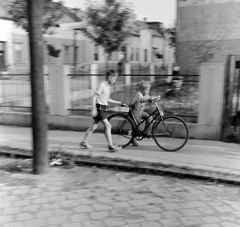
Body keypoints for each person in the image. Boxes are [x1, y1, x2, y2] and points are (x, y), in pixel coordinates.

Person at [80, 69, 123, 152]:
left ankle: (84, 142)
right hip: (99, 108)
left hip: (103, 108)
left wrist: (118, 102)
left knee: (94, 127)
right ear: (110, 77)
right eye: (115, 79)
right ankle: (110, 145)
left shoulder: (107, 86)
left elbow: (107, 99)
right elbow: (94, 97)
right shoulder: (102, 85)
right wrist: (94, 110)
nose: (115, 81)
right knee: (108, 126)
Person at [131, 81, 160, 146]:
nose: (148, 92)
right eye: (147, 90)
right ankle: (132, 140)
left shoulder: (145, 94)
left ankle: (145, 133)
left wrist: (155, 97)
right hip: (135, 111)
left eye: (149, 90)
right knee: (136, 126)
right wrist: (148, 99)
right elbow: (141, 100)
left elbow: (149, 97)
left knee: (150, 118)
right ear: (142, 89)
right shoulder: (139, 94)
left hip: (140, 111)